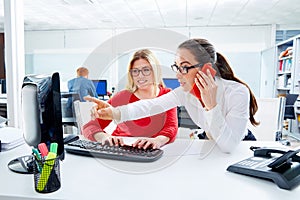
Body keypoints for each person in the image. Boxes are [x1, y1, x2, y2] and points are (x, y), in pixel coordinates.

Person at [90, 38, 259, 153]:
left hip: (239, 147)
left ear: (207, 69)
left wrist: (211, 105)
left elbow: (228, 146)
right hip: (212, 143)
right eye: (176, 67)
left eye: (184, 67)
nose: (178, 75)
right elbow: (150, 105)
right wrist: (115, 113)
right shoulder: (184, 93)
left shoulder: (237, 92)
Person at [83, 49, 178, 149]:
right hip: (122, 148)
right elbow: (89, 127)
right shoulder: (122, 97)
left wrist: (157, 140)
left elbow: (171, 127)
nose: (140, 76)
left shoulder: (167, 95)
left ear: (155, 71)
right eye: (135, 71)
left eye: (146, 70)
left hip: (149, 150)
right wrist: (104, 137)